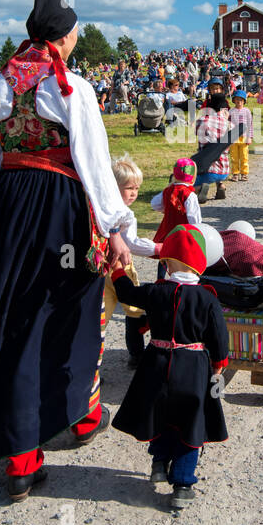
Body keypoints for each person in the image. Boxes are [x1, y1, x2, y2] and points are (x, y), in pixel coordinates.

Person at [0, 0, 133, 501]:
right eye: (75, 31)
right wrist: (115, 228)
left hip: (3, 212)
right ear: (67, 37)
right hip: (60, 213)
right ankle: (80, 415)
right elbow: (96, 167)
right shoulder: (72, 88)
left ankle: (21, 460)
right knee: (68, 313)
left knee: (12, 323)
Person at [110, 224, 228, 509]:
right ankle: (183, 483)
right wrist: (219, 362)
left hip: (157, 363)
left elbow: (127, 293)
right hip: (194, 368)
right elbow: (219, 336)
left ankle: (160, 463)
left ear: (167, 263)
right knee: (190, 422)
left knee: (160, 413)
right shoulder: (208, 298)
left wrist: (116, 271)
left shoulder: (155, 292)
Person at [107, 155, 156, 368]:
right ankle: (136, 354)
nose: (134, 193)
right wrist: (157, 248)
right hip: (120, 268)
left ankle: (135, 354)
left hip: (106, 268)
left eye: (136, 188)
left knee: (110, 312)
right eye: (129, 188)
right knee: (134, 308)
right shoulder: (125, 215)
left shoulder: (106, 210)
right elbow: (132, 244)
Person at [194, 92, 231, 203]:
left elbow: (196, 132)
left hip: (207, 169)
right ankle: (221, 186)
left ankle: (199, 188)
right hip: (224, 169)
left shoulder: (202, 120)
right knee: (218, 151)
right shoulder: (228, 124)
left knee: (187, 182)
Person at [228, 90, 252, 181]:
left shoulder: (247, 111)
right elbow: (228, 123)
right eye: (237, 99)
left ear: (244, 101)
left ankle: (244, 173)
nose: (239, 101)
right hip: (234, 137)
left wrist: (249, 137)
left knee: (244, 156)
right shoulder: (231, 111)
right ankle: (235, 173)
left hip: (244, 137)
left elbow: (250, 125)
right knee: (234, 156)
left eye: (241, 100)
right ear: (234, 100)